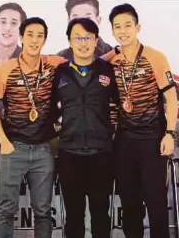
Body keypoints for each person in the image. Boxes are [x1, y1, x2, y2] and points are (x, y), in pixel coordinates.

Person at [103, 3, 179, 238]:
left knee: (155, 203)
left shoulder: (155, 57)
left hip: (152, 139)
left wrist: (170, 133)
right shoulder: (110, 61)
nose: (123, 31)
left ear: (138, 27)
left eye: (128, 25)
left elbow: (171, 97)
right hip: (124, 141)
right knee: (129, 203)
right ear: (112, 31)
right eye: (117, 27)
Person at [0, 17, 66, 238]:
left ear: (45, 40)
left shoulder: (54, 64)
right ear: (21, 37)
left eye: (40, 36)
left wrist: (118, 51)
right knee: (5, 211)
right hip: (13, 148)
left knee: (42, 212)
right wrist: (3, 142)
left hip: (43, 149)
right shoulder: (5, 69)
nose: (34, 40)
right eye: (30, 35)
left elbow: (86, 58)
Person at [52, 18, 119, 238]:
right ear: (70, 41)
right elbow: (50, 110)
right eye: (78, 38)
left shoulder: (107, 70)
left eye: (88, 37)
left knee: (100, 213)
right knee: (73, 216)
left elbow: (121, 105)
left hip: (101, 154)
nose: (83, 43)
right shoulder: (60, 73)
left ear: (96, 41)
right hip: (69, 154)